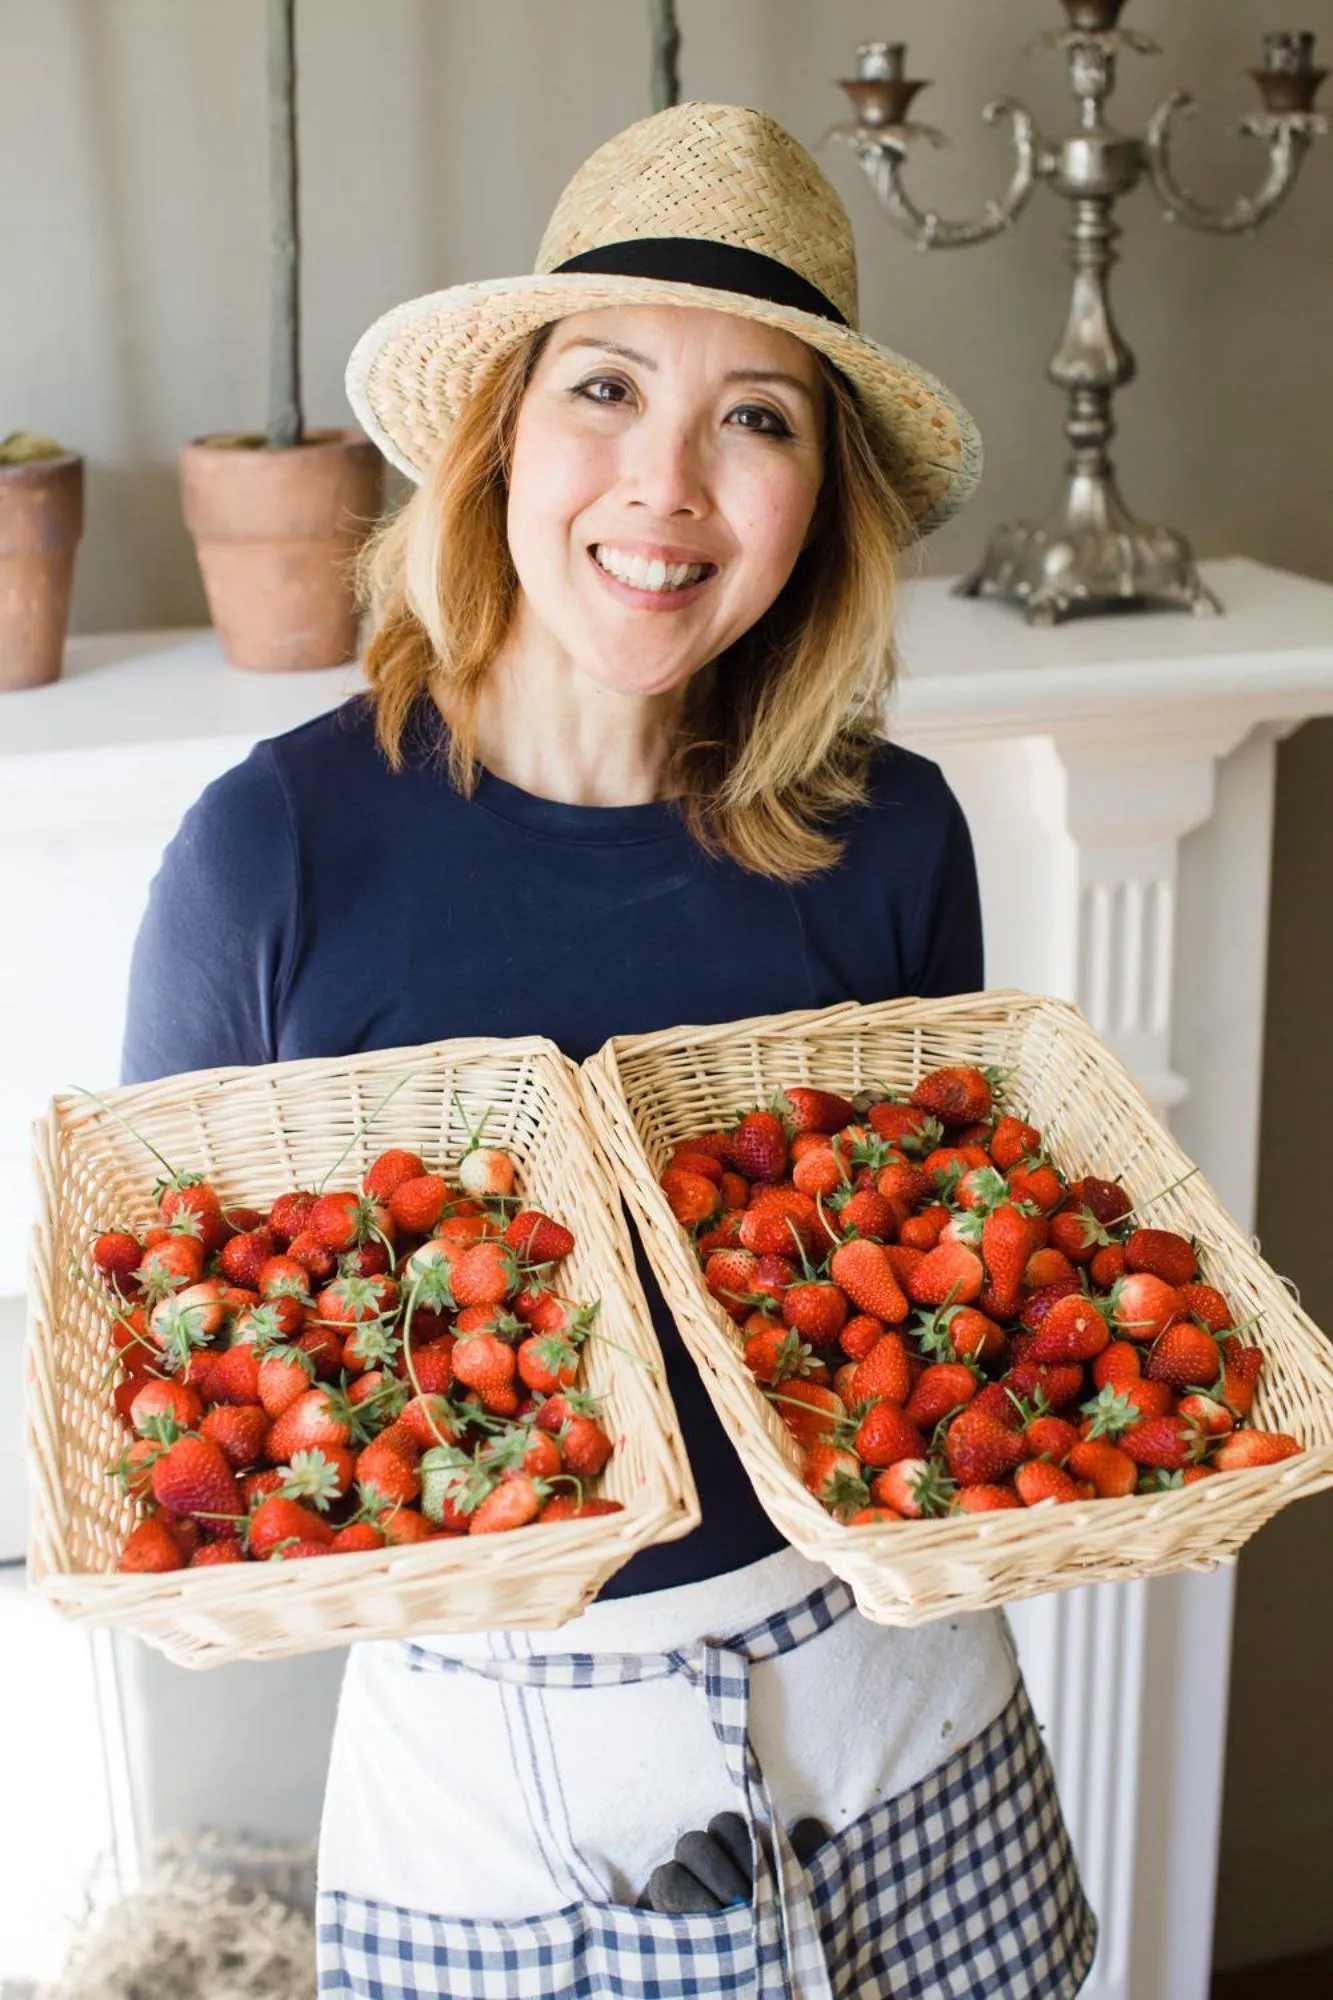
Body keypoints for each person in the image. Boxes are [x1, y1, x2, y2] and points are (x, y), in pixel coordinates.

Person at [122, 101, 1096, 2000]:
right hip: (497, 1782)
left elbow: (938, 1301)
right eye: (606, 387)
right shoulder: (276, 855)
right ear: (499, 435)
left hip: (897, 1726)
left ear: (819, 505)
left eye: (759, 418)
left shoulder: (895, 836)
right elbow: (177, 1337)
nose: (668, 483)